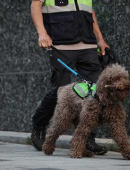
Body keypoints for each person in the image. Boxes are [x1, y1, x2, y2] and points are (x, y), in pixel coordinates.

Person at [30, 0, 110, 155]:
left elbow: (90, 12)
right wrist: (42, 33)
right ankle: (39, 124)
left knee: (95, 93)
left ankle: (87, 138)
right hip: (59, 44)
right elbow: (35, 4)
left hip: (87, 45)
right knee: (60, 92)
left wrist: (99, 39)